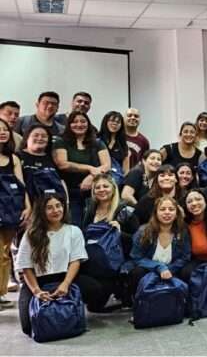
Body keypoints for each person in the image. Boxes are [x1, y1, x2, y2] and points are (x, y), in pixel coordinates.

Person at [15, 194, 111, 336]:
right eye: (49, 208)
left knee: (94, 288)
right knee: (28, 327)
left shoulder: (73, 230)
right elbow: (26, 266)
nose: (55, 210)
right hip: (38, 281)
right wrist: (36, 291)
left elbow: (75, 260)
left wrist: (65, 284)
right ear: (42, 211)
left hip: (65, 277)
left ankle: (73, 311)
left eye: (58, 206)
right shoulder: (30, 234)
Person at [128, 196, 191, 301]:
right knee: (136, 272)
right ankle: (139, 305)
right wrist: (159, 268)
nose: (167, 212)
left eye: (171, 209)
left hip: (173, 270)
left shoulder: (183, 231)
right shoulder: (143, 231)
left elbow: (185, 257)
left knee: (187, 271)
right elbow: (136, 257)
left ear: (176, 214)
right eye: (162, 209)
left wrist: (169, 269)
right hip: (149, 269)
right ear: (156, 213)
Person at [53, 111, 111, 224]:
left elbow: (107, 165)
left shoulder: (98, 143)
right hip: (71, 193)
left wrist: (91, 177)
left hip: (94, 193)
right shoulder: (61, 142)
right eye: (75, 122)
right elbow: (62, 164)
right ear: (69, 125)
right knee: (75, 225)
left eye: (83, 121)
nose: (79, 124)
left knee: (95, 225)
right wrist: (89, 168)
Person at [0, 118, 31, 308]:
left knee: (5, 253)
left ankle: (1, 292)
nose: (2, 132)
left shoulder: (13, 158)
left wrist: (27, 207)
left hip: (10, 210)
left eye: (5, 129)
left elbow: (21, 186)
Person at [81, 174, 138, 257]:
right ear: (93, 191)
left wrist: (119, 233)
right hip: (91, 254)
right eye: (97, 187)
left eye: (105, 186)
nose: (101, 190)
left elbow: (136, 240)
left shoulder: (126, 210)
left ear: (113, 188)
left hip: (115, 260)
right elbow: (84, 233)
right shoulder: (89, 209)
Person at [18, 124, 69, 200]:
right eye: (36, 135)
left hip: (53, 204)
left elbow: (61, 182)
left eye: (44, 136)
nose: (40, 138)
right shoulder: (17, 157)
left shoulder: (52, 158)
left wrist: (66, 202)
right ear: (27, 138)